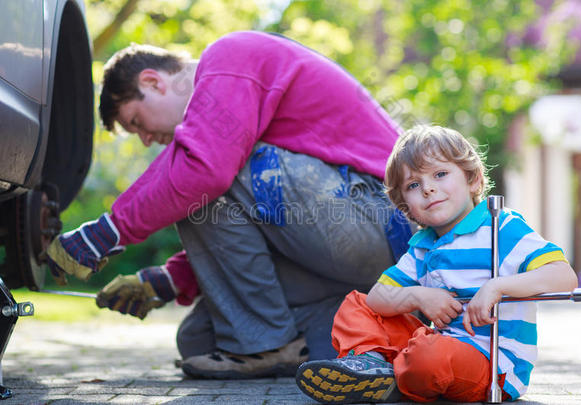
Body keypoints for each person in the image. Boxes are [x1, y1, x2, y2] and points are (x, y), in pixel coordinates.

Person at [45, 31, 414, 379]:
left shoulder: (228, 56)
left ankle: (271, 345)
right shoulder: (226, 114)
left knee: (198, 167)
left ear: (153, 82)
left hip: (383, 216)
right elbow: (254, 212)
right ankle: (370, 345)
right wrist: (168, 280)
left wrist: (103, 234)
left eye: (137, 122)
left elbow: (208, 174)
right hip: (348, 246)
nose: (145, 140)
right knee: (202, 340)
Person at [295, 125, 578, 404]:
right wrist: (418, 295)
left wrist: (498, 286)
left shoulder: (501, 226)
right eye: (413, 185)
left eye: (440, 174)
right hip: (434, 349)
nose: (428, 188)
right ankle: (373, 365)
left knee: (427, 355)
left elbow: (563, 276)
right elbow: (377, 299)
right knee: (357, 305)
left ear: (474, 180)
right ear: (405, 204)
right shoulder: (423, 245)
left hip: (492, 366)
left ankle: (396, 377)